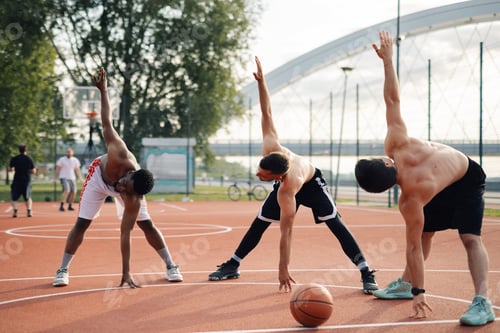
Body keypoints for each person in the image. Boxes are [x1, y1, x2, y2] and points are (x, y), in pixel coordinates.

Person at [354, 31, 494, 326]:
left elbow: (392, 98)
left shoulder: (407, 191)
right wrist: (388, 62)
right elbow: (392, 98)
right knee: (425, 232)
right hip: (438, 184)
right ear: (386, 163)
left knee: (470, 237)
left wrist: (388, 61)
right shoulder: (400, 155)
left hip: (467, 177)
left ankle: (483, 301)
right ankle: (406, 285)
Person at [208, 56, 379, 294]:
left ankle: (365, 271)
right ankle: (233, 265)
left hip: (312, 183)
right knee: (260, 223)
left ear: (278, 177)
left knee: (336, 224)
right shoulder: (271, 145)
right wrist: (261, 82)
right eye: (260, 169)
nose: (258, 175)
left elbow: (286, 233)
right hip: (291, 179)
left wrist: (282, 268)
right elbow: (266, 111)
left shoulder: (288, 188)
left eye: (263, 175)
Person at [52, 67, 183, 288]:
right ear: (129, 173)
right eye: (124, 185)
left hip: (127, 189)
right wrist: (103, 91)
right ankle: (62, 269)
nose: (121, 190)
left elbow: (125, 235)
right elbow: (106, 122)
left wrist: (126, 272)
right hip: (98, 178)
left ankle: (171, 265)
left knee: (147, 225)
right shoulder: (119, 153)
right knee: (82, 223)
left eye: (126, 192)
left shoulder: (133, 197)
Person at [8, 144, 36, 218]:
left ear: (19, 150)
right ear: (26, 150)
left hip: (17, 180)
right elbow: (33, 171)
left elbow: (10, 169)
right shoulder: (29, 159)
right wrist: (28, 171)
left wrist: (14, 169)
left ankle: (15, 211)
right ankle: (29, 211)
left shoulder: (14, 158)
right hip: (26, 180)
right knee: (28, 197)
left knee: (14, 197)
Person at [54, 147, 84, 211]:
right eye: (67, 152)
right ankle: (61, 206)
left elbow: (77, 170)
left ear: (72, 153)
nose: (68, 153)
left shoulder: (75, 160)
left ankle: (70, 206)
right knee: (67, 190)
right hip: (63, 177)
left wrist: (80, 178)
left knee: (74, 192)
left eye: (70, 152)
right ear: (66, 152)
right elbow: (57, 169)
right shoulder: (62, 160)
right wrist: (55, 178)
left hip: (72, 178)